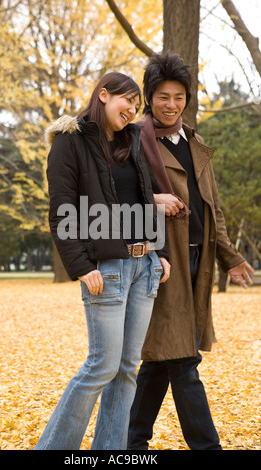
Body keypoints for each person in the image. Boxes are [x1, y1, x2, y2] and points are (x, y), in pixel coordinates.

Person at [34, 72, 170, 450]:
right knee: (102, 366)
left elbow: (147, 198)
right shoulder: (69, 142)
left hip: (144, 269)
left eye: (137, 106)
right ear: (104, 94)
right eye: (129, 101)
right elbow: (62, 211)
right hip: (105, 270)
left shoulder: (132, 142)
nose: (133, 110)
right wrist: (81, 267)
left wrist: (160, 253)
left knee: (127, 370)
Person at [128, 53, 254, 451]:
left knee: (160, 360)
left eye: (178, 96)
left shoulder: (195, 142)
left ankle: (131, 445)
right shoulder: (135, 142)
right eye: (162, 96)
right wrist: (152, 201)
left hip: (197, 262)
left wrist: (230, 258)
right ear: (149, 97)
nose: (171, 104)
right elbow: (117, 199)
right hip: (160, 262)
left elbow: (211, 208)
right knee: (182, 358)